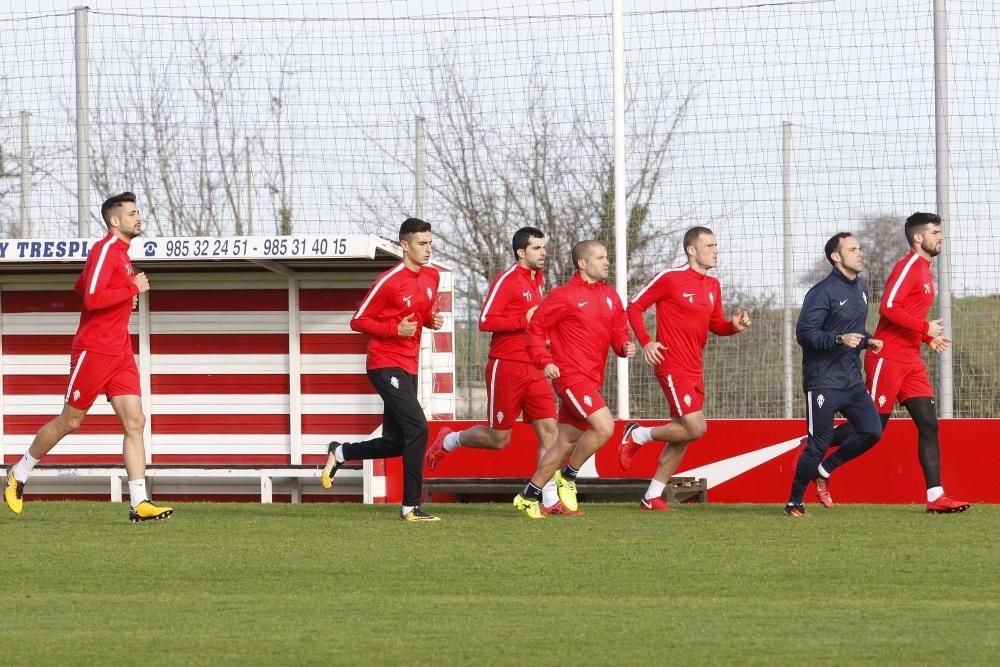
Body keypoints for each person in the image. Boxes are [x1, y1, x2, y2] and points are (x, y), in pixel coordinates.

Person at [4, 192, 173, 522]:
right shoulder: (104, 249)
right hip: (94, 349)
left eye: (138, 212)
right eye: (132, 213)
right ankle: (18, 474)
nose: (138, 217)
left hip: (120, 350)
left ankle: (139, 502)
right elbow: (92, 298)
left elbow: (82, 286)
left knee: (135, 422)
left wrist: (123, 298)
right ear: (115, 221)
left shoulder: (122, 255)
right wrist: (130, 290)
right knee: (71, 421)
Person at [825, 213, 970, 513]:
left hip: (910, 360)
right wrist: (924, 329)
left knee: (928, 424)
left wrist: (927, 338)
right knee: (873, 426)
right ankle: (814, 448)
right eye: (935, 232)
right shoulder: (909, 267)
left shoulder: (927, 272)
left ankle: (935, 497)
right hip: (887, 357)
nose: (940, 237)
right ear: (918, 238)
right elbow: (889, 307)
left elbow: (909, 312)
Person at [424, 228, 569, 513]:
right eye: (537, 248)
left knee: (550, 433)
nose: (543, 253)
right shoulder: (507, 280)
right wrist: (523, 319)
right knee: (498, 439)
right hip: (507, 366)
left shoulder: (537, 281)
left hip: (535, 367)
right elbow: (485, 320)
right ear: (521, 252)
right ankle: (449, 439)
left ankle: (550, 501)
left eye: (543, 247)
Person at [618, 227, 751, 510]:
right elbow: (634, 307)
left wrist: (733, 327)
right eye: (710, 245)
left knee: (684, 435)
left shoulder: (713, 285)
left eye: (717, 245)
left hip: (695, 366)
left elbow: (715, 324)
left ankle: (651, 496)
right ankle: (637, 434)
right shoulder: (670, 278)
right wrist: (646, 342)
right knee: (695, 427)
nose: (716, 250)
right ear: (692, 250)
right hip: (671, 362)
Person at [321, 217, 445, 522]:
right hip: (384, 363)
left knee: (396, 442)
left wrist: (432, 320)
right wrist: (394, 329)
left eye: (430, 243)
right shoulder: (389, 280)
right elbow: (358, 320)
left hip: (409, 366)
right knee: (418, 427)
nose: (428, 249)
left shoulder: (432, 277)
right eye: (421, 243)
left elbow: (422, 312)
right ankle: (410, 507)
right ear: (404, 245)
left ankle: (341, 453)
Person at [512, 240, 636, 518]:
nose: (607, 262)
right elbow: (534, 331)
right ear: (582, 263)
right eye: (600, 257)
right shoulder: (563, 296)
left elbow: (618, 330)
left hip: (592, 379)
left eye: (607, 257)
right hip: (570, 376)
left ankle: (529, 495)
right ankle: (568, 476)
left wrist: (624, 345)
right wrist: (544, 362)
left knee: (565, 443)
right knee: (604, 427)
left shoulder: (611, 295)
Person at [783, 232, 884, 516]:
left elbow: (853, 329)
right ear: (836, 257)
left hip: (851, 380)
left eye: (860, 248)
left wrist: (867, 340)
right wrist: (839, 339)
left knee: (872, 431)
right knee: (818, 444)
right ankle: (794, 502)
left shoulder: (862, 288)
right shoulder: (821, 292)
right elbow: (805, 334)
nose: (860, 253)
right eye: (853, 249)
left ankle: (825, 469)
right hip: (823, 381)